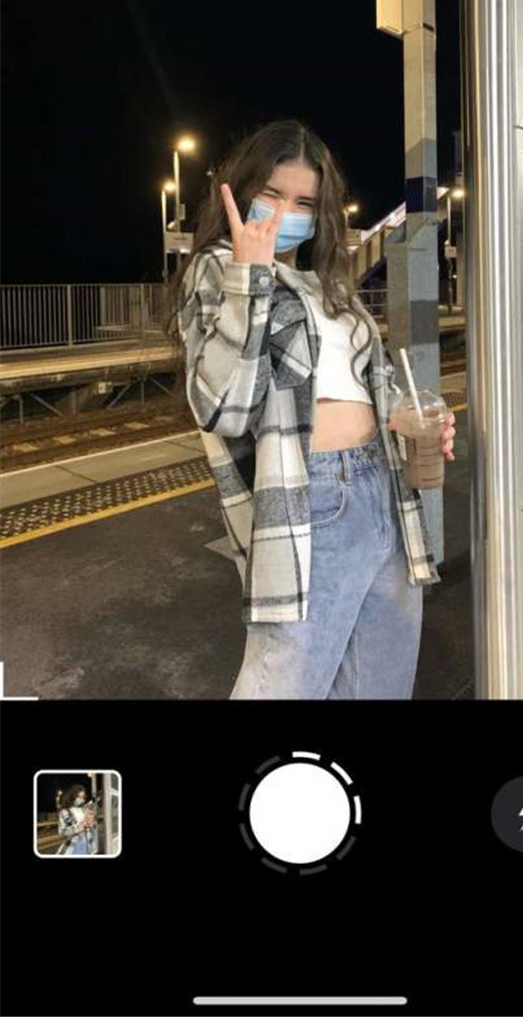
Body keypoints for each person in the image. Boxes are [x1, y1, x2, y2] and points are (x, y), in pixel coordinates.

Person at [173, 119, 456, 699]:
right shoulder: (217, 269)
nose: (286, 213)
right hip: (310, 496)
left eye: (304, 202)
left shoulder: (327, 283)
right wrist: (250, 276)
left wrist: (403, 416)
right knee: (285, 683)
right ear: (241, 192)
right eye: (272, 194)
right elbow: (222, 407)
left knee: (381, 680)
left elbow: (366, 384)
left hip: (383, 487)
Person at [56, 784, 98, 856]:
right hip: (73, 847)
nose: (81, 799)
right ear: (72, 797)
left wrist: (92, 823)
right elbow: (63, 832)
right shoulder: (65, 812)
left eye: (83, 797)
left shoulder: (84, 810)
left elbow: (92, 827)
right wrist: (81, 826)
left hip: (88, 846)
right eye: (79, 797)